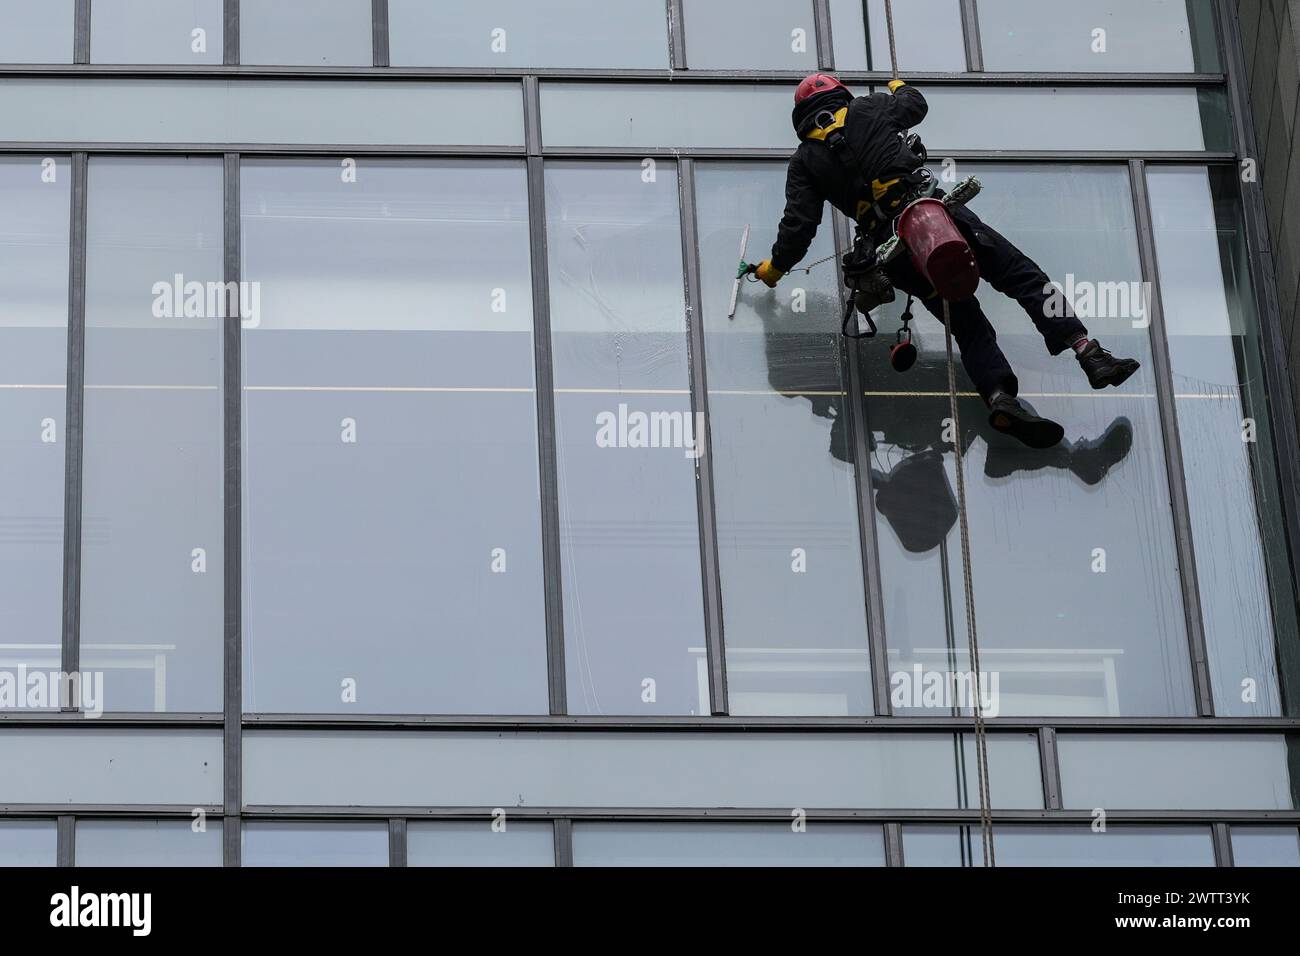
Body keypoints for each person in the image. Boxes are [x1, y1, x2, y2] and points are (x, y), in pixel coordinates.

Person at [753, 73, 1141, 449]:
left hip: (892, 251)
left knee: (967, 324)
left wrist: (772, 271)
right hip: (931, 217)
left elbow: (798, 228)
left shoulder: (804, 161)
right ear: (840, 95)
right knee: (1021, 276)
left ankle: (1000, 397)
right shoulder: (869, 108)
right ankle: (1088, 351)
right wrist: (897, 84)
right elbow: (914, 105)